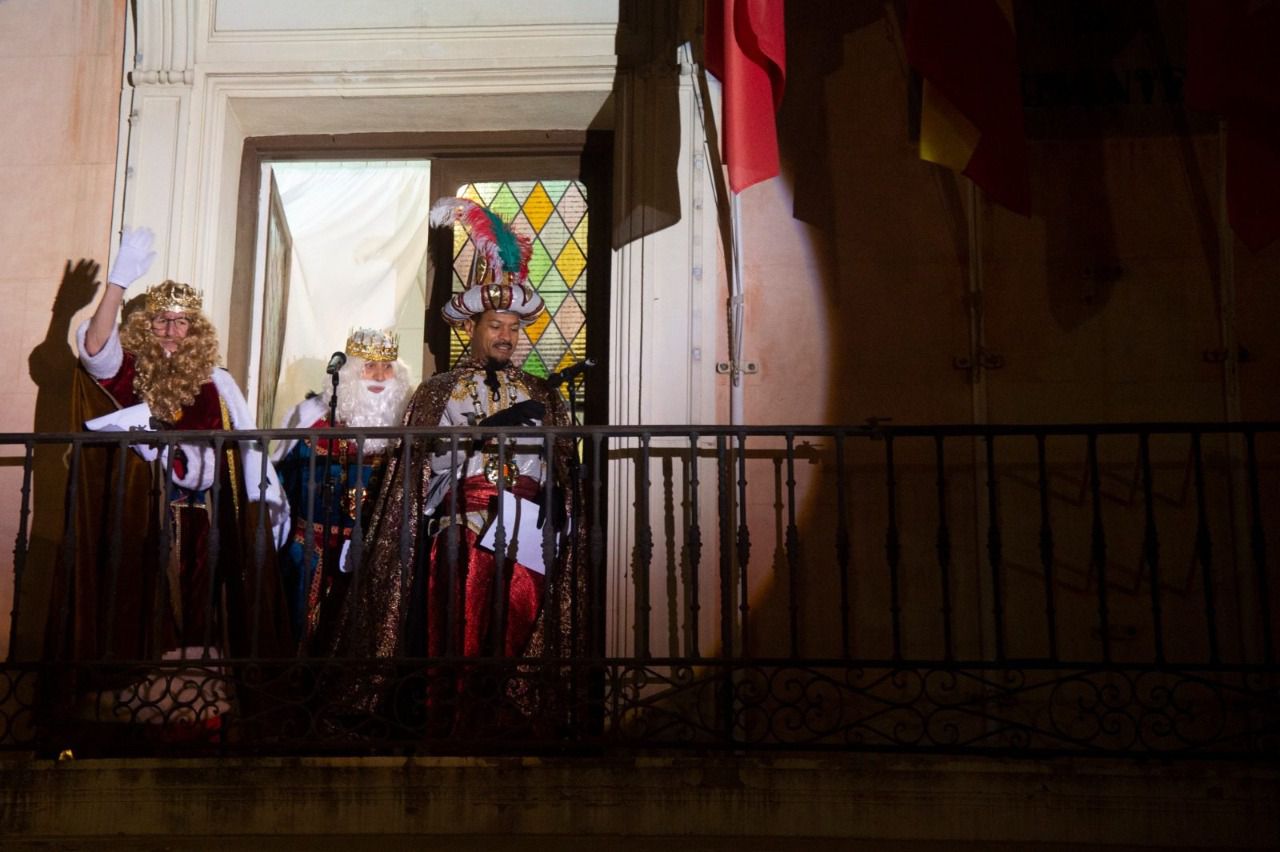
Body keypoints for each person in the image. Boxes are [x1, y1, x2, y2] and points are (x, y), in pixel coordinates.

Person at [328, 197, 587, 736]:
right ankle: (452, 719)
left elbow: (563, 471)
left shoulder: (542, 392)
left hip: (527, 529)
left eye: (514, 328)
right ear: (474, 328)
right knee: (459, 615)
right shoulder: (438, 391)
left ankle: (514, 719)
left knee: (519, 621)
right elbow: (413, 473)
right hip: (460, 524)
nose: (507, 336)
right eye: (496, 325)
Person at [50, 226, 290, 735]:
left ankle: (200, 712)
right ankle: (137, 714)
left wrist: (264, 504)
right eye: (161, 320)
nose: (171, 331)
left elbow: (246, 450)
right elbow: (94, 350)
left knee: (202, 611)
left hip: (204, 517)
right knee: (141, 608)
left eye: (182, 323)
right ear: (146, 325)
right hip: (140, 516)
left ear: (195, 331)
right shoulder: (128, 369)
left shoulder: (217, 382)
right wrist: (116, 282)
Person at [272, 328, 412, 654]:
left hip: (379, 549)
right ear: (349, 372)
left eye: (388, 366)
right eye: (369, 366)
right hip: (314, 547)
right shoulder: (311, 418)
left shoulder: (408, 422)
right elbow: (280, 480)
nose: (379, 375)